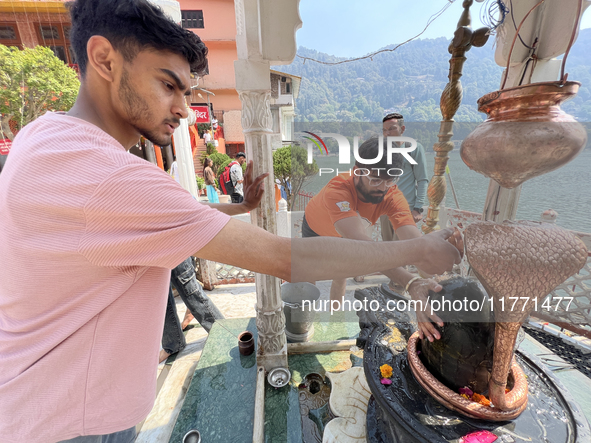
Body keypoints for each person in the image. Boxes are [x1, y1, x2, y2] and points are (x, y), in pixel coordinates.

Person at [0, 1, 460, 441]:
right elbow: (284, 258)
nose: (182, 110)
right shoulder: (108, 176)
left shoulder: (44, 135)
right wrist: (419, 251)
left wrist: (241, 208)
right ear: (104, 58)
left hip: (44, 398)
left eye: (185, 91)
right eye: (167, 85)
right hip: (68, 421)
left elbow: (174, 212)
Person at [303, 136, 445, 326]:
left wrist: (439, 284)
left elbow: (415, 244)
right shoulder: (338, 190)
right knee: (308, 281)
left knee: (340, 278)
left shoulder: (392, 194)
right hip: (316, 230)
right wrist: (410, 281)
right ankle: (306, 320)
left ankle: (334, 322)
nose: (383, 188)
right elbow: (363, 245)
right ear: (357, 171)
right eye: (376, 179)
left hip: (344, 235)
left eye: (390, 180)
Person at [379, 113, 429, 241]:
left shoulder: (413, 148)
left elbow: (422, 180)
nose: (387, 133)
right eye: (385, 130)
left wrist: (418, 208)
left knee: (401, 251)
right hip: (384, 209)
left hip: (405, 209)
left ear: (402, 129)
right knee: (387, 250)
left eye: (392, 128)